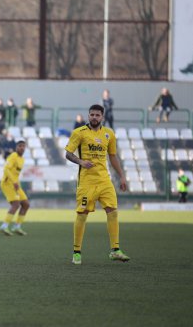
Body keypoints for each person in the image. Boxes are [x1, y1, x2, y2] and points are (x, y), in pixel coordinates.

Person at [65, 104, 129, 265]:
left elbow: (113, 157)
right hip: (86, 181)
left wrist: (122, 176)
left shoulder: (109, 134)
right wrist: (80, 161)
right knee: (82, 214)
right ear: (88, 116)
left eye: (97, 115)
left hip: (104, 180)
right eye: (92, 114)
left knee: (112, 210)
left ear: (102, 117)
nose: (94, 117)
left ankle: (115, 250)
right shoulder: (79, 133)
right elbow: (68, 153)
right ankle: (77, 252)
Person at [0, 140, 30, 236]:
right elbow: (6, 169)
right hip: (7, 183)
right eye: (20, 146)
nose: (22, 148)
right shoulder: (13, 156)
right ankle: (4, 226)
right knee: (16, 204)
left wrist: (16, 183)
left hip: (16, 184)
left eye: (23, 146)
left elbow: (16, 173)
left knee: (26, 204)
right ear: (16, 147)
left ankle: (17, 227)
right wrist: (14, 181)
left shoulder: (22, 159)